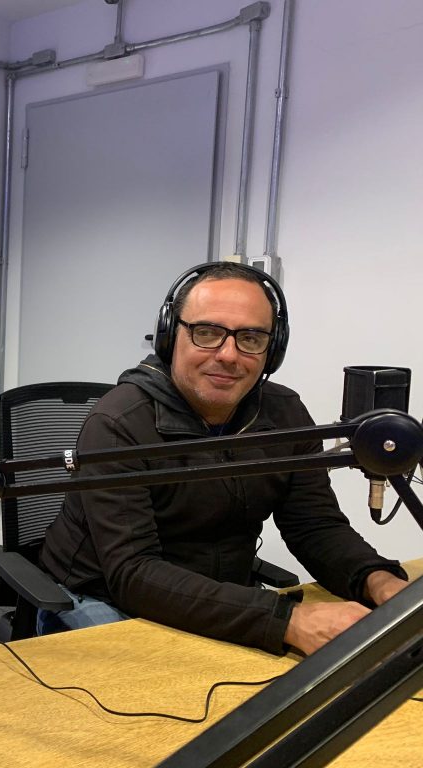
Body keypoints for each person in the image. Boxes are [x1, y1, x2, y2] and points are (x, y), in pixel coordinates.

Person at [40, 262, 409, 656]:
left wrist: (380, 582)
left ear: (273, 350)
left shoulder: (284, 415)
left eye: (250, 338)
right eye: (207, 333)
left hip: (216, 595)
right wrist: (287, 621)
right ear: (170, 336)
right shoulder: (118, 424)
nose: (229, 355)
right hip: (104, 596)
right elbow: (133, 573)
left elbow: (314, 526)